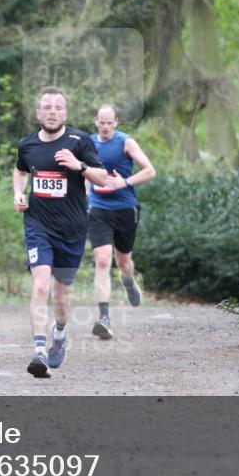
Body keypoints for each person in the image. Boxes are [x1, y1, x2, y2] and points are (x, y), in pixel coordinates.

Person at [13, 87, 108, 378]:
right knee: (41, 286)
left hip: (72, 230)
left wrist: (79, 166)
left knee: (60, 298)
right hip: (38, 226)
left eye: (58, 107)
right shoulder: (27, 145)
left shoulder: (80, 141)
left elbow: (102, 178)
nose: (52, 111)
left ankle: (60, 332)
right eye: (46, 106)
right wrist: (18, 193)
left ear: (65, 113)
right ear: (38, 112)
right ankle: (39, 351)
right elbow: (20, 171)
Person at [87, 104, 156, 339]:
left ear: (116, 122)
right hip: (98, 209)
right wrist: (85, 193)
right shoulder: (88, 143)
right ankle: (104, 317)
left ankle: (128, 280)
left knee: (124, 260)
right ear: (95, 121)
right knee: (103, 259)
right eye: (101, 122)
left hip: (126, 208)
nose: (105, 126)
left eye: (109, 122)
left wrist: (124, 182)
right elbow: (81, 172)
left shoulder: (126, 142)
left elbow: (150, 171)